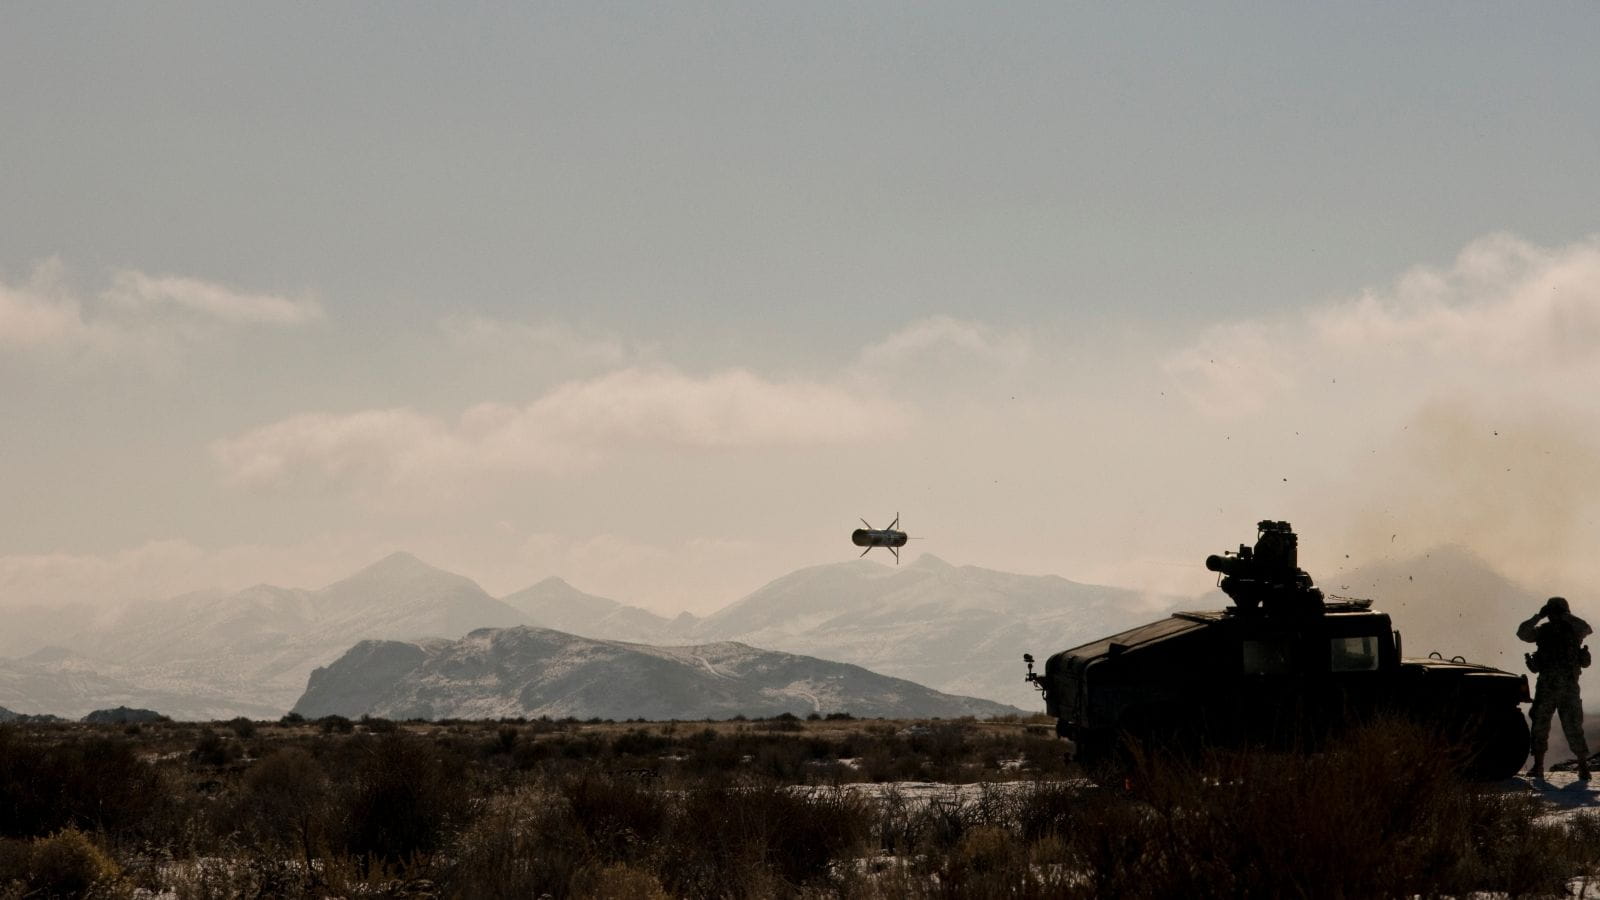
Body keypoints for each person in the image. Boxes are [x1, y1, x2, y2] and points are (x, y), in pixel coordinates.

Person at [1517, 596, 1592, 780]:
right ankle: (1538, 766)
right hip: (1547, 686)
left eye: (1556, 611)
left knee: (1573, 726)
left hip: (1567, 687)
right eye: (1552, 612)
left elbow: (1586, 628)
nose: (1554, 616)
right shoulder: (1543, 630)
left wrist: (1566, 616)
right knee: (1539, 726)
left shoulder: (1574, 630)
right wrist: (1539, 616)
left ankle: (1583, 766)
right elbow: (1522, 633)